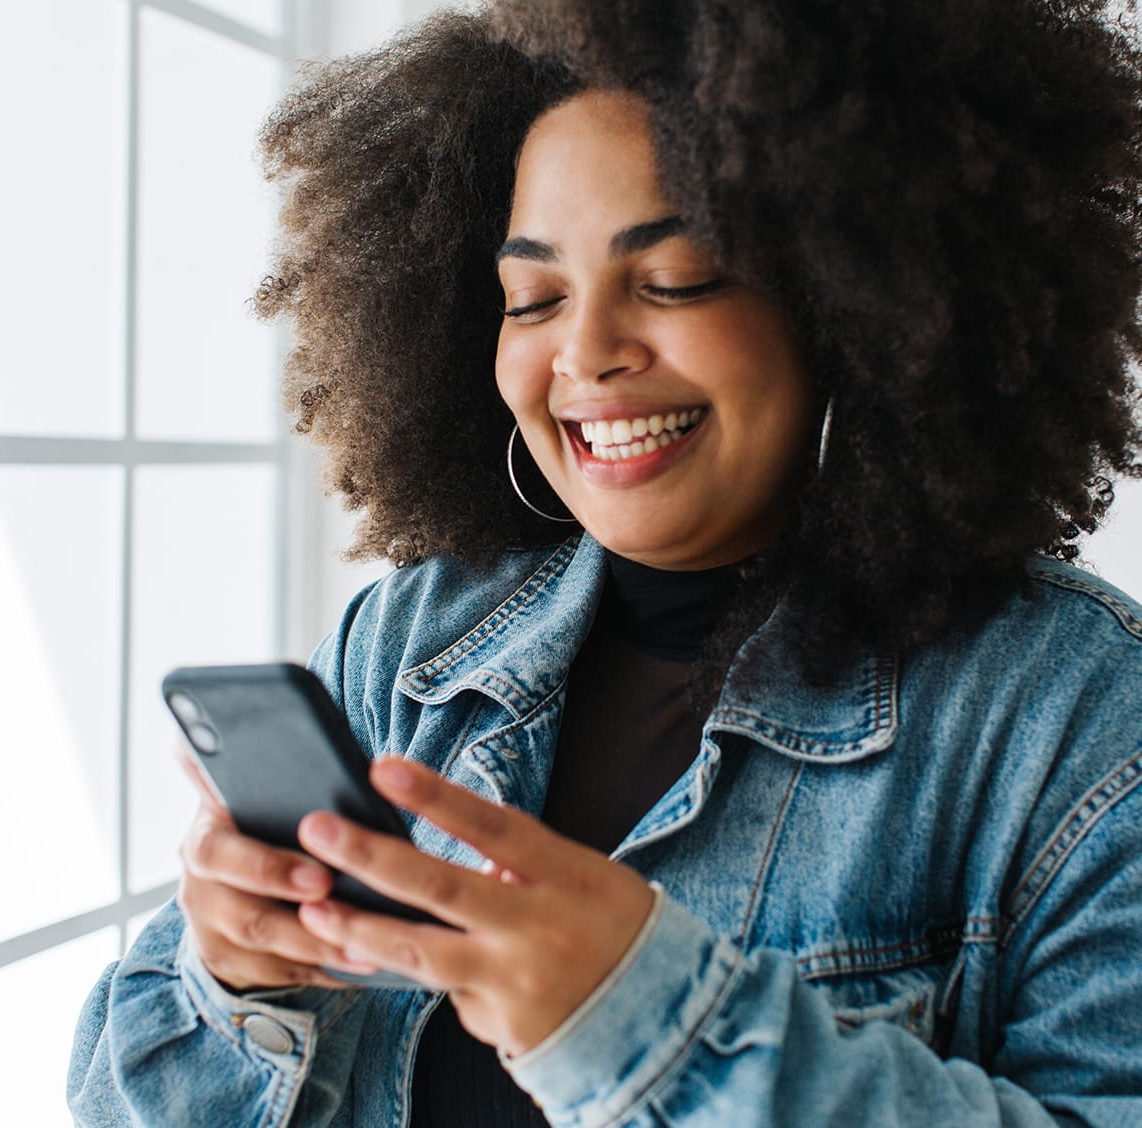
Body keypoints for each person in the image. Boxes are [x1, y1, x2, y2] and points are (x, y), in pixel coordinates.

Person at [69, 1, 1142, 1124]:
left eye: (674, 279)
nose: (582, 354)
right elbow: (112, 1098)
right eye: (532, 299)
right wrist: (236, 984)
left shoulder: (1075, 714)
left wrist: (643, 1022)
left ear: (855, 301)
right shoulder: (406, 645)